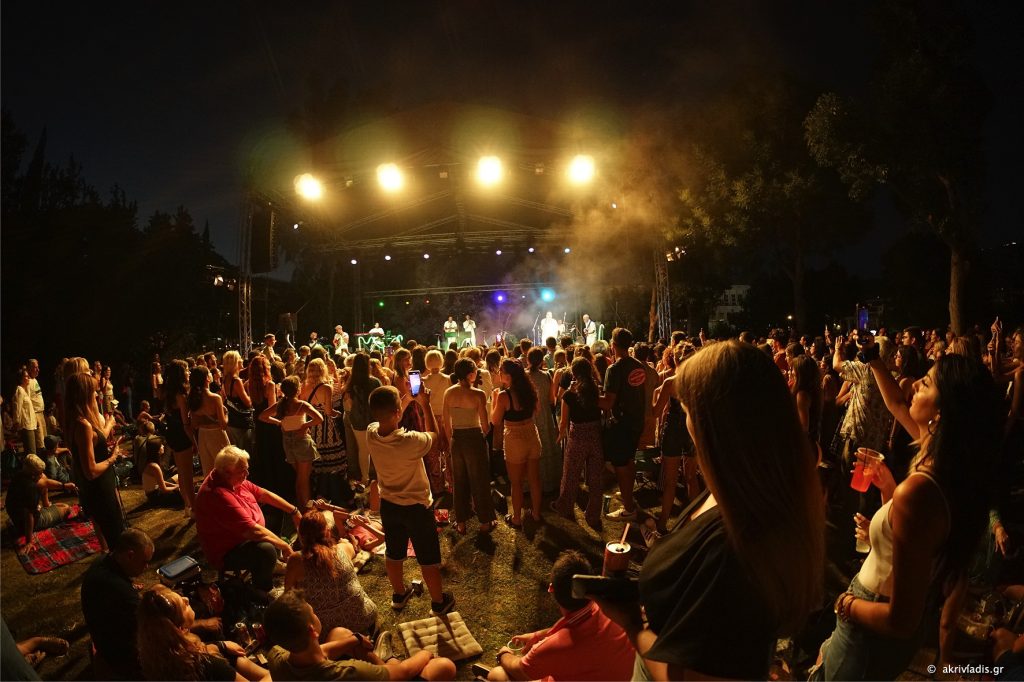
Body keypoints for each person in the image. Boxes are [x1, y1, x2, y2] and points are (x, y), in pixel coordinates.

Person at [595, 341, 824, 680]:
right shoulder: (740, 490)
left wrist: (632, 623)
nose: (686, 422)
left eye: (688, 410)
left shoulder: (736, 545)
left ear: (715, 425)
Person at [810, 352, 1001, 680]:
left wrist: (845, 604)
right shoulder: (949, 466)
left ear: (942, 412)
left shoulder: (920, 490)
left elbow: (901, 620)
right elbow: (897, 403)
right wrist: (889, 492)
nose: (913, 386)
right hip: (880, 621)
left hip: (869, 624)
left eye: (926, 383)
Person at [367, 385, 456, 615]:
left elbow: (389, 414)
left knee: (394, 552)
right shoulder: (410, 441)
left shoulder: (371, 433)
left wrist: (408, 399)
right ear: (398, 412)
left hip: (389, 505)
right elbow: (435, 437)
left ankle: (399, 594)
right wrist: (425, 404)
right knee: (428, 557)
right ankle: (438, 602)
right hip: (416, 507)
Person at [490, 551, 634, 681]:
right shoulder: (614, 611)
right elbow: (581, 629)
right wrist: (537, 635)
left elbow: (520, 670)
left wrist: (503, 655)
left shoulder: (554, 647)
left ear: (551, 589)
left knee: (497, 675)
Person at [263, 590, 456, 681]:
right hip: (389, 678)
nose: (316, 614)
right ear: (312, 630)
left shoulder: (275, 656)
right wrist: (425, 654)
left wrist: (354, 640)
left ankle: (384, 659)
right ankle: (389, 659)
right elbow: (403, 673)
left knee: (339, 634)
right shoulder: (348, 673)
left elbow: (318, 652)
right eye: (313, 613)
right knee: (444, 666)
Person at [194, 446, 302, 593]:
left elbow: (264, 494)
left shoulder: (232, 478)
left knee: (275, 508)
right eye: (242, 471)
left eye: (246, 469)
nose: (247, 474)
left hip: (245, 531)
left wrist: (294, 511)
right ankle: (262, 590)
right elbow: (253, 531)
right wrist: (284, 546)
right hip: (227, 550)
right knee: (265, 550)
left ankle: (273, 563)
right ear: (227, 473)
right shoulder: (217, 495)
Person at [137, 584, 269, 681]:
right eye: (183, 605)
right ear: (179, 628)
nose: (186, 599)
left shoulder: (159, 656)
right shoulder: (206, 666)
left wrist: (221, 645)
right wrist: (276, 666)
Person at [285, 510, 378, 636]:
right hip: (363, 617)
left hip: (326, 630)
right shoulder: (344, 549)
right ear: (328, 532)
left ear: (300, 536)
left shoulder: (296, 560)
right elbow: (351, 548)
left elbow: (289, 595)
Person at [81, 529, 154, 679]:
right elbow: (153, 626)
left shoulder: (103, 560)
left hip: (102, 638)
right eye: (144, 562)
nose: (147, 567)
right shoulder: (120, 591)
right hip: (120, 656)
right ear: (130, 555)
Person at [65, 371, 126, 551]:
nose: (96, 395)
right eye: (93, 391)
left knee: (116, 534)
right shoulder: (82, 425)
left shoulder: (76, 420)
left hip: (99, 486)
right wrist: (112, 458)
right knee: (116, 537)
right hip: (100, 489)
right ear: (84, 394)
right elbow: (90, 471)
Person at [442, 358, 496, 534]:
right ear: (471, 374)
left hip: (457, 439)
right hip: (474, 438)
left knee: (459, 481)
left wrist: (451, 441)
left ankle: (461, 522)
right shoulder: (478, 394)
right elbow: (485, 426)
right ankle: (485, 521)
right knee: (480, 480)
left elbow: (446, 423)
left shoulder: (449, 393)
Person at [599, 328, 647, 521]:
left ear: (613, 345)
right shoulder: (638, 365)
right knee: (629, 460)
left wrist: (587, 395)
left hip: (622, 424)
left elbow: (608, 403)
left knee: (620, 465)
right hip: (636, 421)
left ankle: (628, 509)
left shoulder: (614, 369)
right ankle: (628, 495)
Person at [551, 358, 604, 529]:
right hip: (595, 436)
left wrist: (560, 436)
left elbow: (563, 422)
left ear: (573, 373)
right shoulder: (596, 390)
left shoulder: (569, 395)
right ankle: (593, 516)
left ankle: (565, 507)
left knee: (571, 475)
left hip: (578, 436)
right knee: (596, 478)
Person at [491, 359, 542, 528]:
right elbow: (538, 410)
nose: (499, 373)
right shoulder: (530, 390)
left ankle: (517, 518)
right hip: (531, 433)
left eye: (501, 371)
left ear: (509, 375)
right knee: (534, 479)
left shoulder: (503, 396)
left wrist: (494, 399)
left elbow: (495, 420)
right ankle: (536, 514)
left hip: (514, 437)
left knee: (516, 482)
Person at [260, 376, 322, 509]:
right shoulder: (301, 405)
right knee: (303, 480)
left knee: (299, 477)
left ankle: (300, 506)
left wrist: (279, 422)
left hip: (288, 442)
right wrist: (305, 425)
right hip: (301, 442)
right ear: (297, 389)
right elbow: (319, 418)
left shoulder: (280, 405)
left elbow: (262, 416)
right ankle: (306, 509)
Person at [303, 358, 352, 506]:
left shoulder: (304, 386)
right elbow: (329, 411)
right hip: (326, 425)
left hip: (311, 424)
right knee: (332, 461)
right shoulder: (326, 387)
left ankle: (319, 491)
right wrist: (339, 414)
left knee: (317, 459)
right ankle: (333, 492)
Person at [6, 454, 76, 553]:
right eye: (39, 473)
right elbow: (29, 516)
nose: (42, 474)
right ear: (33, 474)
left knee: (44, 480)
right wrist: (29, 542)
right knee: (66, 508)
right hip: (26, 524)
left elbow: (45, 482)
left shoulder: (20, 475)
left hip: (17, 516)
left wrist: (65, 486)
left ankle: (46, 505)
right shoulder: (31, 488)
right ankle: (45, 511)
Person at [162, 359, 197, 511]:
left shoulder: (169, 393)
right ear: (181, 374)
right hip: (182, 436)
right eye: (187, 370)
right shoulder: (181, 396)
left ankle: (187, 505)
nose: (189, 372)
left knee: (181, 472)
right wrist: (194, 441)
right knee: (188, 475)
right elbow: (185, 423)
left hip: (172, 434)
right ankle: (194, 507)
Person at [343, 353, 382, 486]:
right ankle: (379, 477)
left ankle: (365, 478)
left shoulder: (351, 383)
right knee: (376, 449)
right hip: (373, 419)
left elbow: (348, 404)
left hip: (357, 420)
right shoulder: (375, 382)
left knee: (363, 450)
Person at [190, 365, 230, 477]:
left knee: (209, 472)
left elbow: (194, 424)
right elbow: (223, 425)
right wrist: (226, 414)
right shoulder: (215, 398)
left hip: (203, 436)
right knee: (225, 468)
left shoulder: (193, 398)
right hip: (217, 434)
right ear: (207, 378)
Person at [221, 350, 254, 452]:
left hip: (232, 421)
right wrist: (250, 390)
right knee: (245, 451)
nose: (242, 360)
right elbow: (248, 403)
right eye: (240, 359)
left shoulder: (226, 378)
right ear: (235, 363)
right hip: (242, 423)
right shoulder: (236, 381)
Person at [141, 439, 181, 506]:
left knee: (177, 476)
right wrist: (176, 488)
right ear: (157, 450)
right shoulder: (154, 466)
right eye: (161, 445)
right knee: (183, 494)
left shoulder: (151, 463)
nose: (163, 446)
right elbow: (164, 489)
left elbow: (161, 482)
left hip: (157, 490)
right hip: (155, 496)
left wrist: (175, 485)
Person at [13, 368, 38, 454]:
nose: (28, 378)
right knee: (31, 452)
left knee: (32, 451)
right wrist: (16, 422)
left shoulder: (25, 391)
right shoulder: (19, 390)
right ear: (21, 379)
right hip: (26, 426)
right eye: (26, 376)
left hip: (30, 425)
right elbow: (17, 407)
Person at [27, 359, 47, 440]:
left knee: (45, 438)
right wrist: (34, 417)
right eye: (35, 367)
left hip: (41, 413)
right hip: (35, 414)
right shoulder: (27, 382)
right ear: (29, 368)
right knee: (40, 440)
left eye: (38, 367)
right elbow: (28, 401)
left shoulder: (34, 380)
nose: (38, 370)